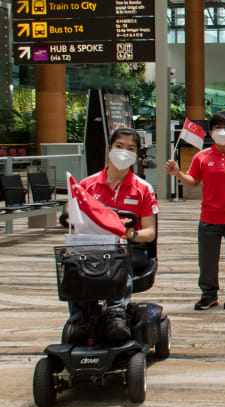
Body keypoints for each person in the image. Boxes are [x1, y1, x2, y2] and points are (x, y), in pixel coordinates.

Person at [65, 127, 160, 344]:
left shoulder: (143, 189)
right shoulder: (87, 185)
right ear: (109, 149)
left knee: (118, 259)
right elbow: (73, 222)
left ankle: (116, 313)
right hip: (93, 246)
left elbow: (149, 232)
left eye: (131, 148)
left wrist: (131, 234)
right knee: (72, 262)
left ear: (137, 155)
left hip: (127, 248)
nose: (124, 152)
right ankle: (82, 317)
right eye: (119, 147)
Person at [165, 111, 225, 310]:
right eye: (218, 128)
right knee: (207, 261)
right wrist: (177, 173)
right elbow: (193, 181)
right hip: (209, 218)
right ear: (211, 132)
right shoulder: (201, 157)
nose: (222, 132)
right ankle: (208, 295)